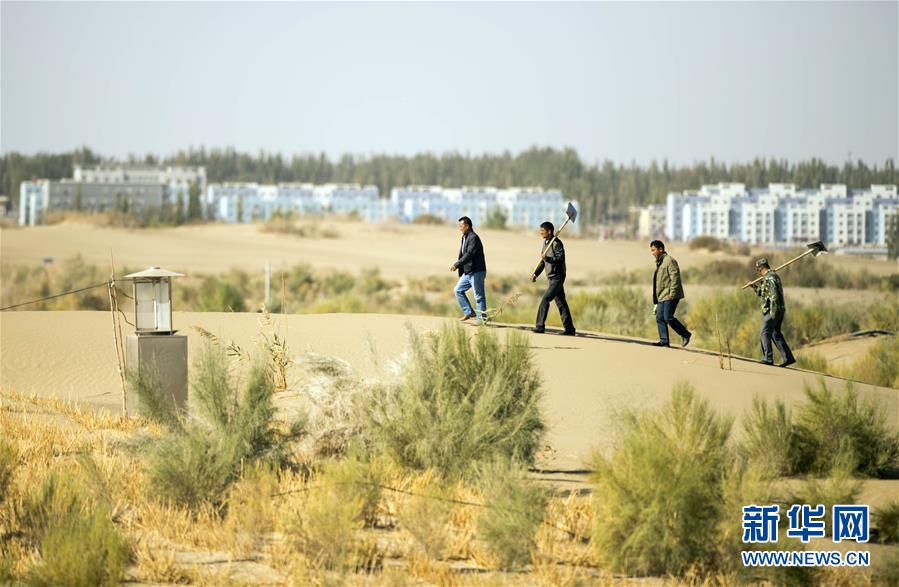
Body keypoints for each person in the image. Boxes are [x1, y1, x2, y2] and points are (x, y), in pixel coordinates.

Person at [531, 221, 576, 335]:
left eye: (543, 230)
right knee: (561, 303)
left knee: (545, 299)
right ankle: (570, 329)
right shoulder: (545, 243)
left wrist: (548, 258)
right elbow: (542, 262)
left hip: (558, 277)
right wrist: (536, 274)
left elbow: (560, 259)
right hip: (551, 278)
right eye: (540, 230)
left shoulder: (557, 243)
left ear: (549, 231)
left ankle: (540, 326)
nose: (540, 232)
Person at [752, 258, 795, 367]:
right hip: (779, 310)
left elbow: (774, 296)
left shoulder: (769, 278)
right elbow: (763, 293)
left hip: (773, 310)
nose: (758, 272)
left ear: (761, 269)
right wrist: (754, 287)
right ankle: (788, 357)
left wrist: (773, 313)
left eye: (758, 270)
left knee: (764, 332)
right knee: (776, 334)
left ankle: (768, 358)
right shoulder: (772, 276)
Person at [650, 240, 692, 347]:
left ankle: (685, 334)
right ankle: (664, 341)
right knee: (659, 317)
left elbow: (675, 279)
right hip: (661, 295)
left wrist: (672, 294)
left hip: (670, 295)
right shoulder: (659, 261)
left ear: (660, 249)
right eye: (651, 250)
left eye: (654, 250)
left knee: (668, 317)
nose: (652, 253)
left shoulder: (670, 261)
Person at [450, 216, 487, 322]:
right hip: (468, 272)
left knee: (479, 296)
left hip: (477, 271)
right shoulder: (464, 237)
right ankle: (469, 312)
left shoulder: (473, 237)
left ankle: (481, 319)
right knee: (458, 290)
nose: (459, 228)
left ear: (467, 226)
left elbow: (469, 254)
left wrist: (457, 264)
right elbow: (463, 254)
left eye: (461, 226)